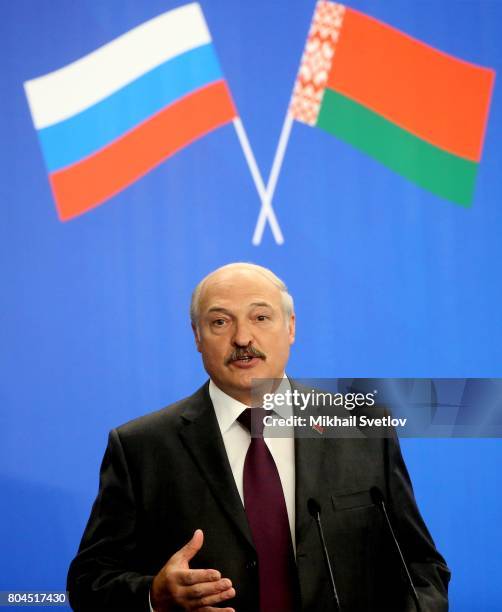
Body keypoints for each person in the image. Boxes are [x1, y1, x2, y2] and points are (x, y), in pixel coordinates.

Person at [67, 262, 450, 611]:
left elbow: (422, 567)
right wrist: (154, 596)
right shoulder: (142, 447)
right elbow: (89, 583)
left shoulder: (361, 429)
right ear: (197, 336)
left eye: (261, 317)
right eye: (220, 322)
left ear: (292, 327)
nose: (242, 337)